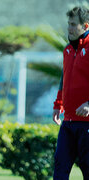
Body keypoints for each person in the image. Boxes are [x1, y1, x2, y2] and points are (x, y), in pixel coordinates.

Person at [53, 6, 89, 180]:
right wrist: (57, 104)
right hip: (67, 122)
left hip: (87, 124)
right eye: (69, 24)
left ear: (86, 26)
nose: (69, 28)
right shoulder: (67, 49)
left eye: (74, 24)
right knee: (60, 166)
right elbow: (64, 77)